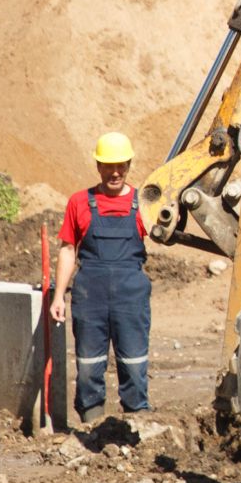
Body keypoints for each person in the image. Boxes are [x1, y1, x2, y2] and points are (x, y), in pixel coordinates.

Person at [49, 132, 152, 424]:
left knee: (132, 363)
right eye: (108, 166)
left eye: (120, 165)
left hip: (130, 296)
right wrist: (59, 295)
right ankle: (92, 425)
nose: (115, 172)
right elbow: (68, 249)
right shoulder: (80, 202)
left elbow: (168, 230)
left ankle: (136, 424)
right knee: (89, 365)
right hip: (89, 296)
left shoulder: (143, 202)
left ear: (129, 165)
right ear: (98, 166)